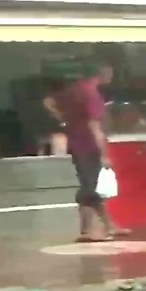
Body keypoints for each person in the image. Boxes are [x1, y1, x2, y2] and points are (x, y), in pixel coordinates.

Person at [55, 62, 127, 241]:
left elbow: (50, 102)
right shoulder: (91, 94)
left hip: (77, 143)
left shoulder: (74, 90)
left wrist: (66, 120)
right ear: (101, 72)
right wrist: (104, 153)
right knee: (90, 189)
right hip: (89, 146)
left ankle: (109, 225)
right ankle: (88, 230)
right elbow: (94, 125)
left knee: (92, 186)